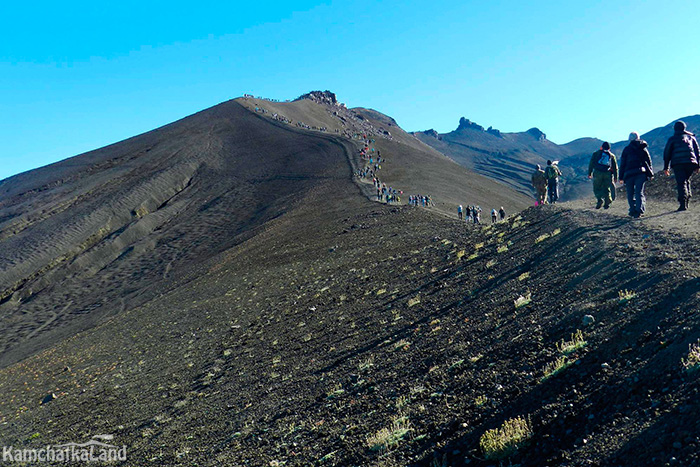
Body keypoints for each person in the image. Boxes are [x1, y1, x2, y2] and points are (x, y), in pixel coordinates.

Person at [663, 120, 700, 211]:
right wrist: (698, 165)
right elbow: (697, 152)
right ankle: (687, 198)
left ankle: (683, 203)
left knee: (681, 182)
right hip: (691, 162)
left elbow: (667, 153)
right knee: (687, 180)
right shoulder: (691, 138)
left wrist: (666, 167)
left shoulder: (672, 139)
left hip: (678, 163)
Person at [619, 132, 653, 218]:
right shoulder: (643, 148)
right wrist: (650, 173)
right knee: (639, 192)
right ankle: (639, 210)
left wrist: (621, 177)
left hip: (629, 174)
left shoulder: (626, 149)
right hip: (641, 172)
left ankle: (632, 210)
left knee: (630, 193)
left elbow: (622, 164)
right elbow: (648, 161)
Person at [587, 142, 619, 209]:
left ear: (601, 147)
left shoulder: (596, 154)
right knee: (607, 188)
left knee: (597, 188)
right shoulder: (612, 156)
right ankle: (607, 202)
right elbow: (615, 167)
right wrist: (616, 177)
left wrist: (589, 173)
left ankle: (600, 199)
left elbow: (591, 164)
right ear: (609, 148)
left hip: (598, 173)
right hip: (608, 173)